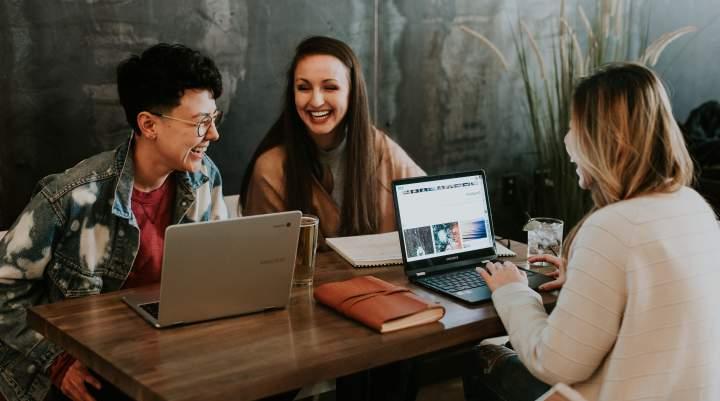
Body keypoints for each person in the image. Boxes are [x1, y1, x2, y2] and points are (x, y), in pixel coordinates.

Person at [463, 63, 720, 401]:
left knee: (482, 360)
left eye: (573, 127)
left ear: (605, 139)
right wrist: (586, 279)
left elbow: (554, 364)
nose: (567, 139)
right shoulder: (694, 207)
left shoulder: (611, 227)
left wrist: (514, 292)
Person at [0, 43, 227, 401]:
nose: (213, 134)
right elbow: (4, 288)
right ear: (149, 125)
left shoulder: (204, 178)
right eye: (201, 123)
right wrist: (56, 362)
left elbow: (217, 271)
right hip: (89, 369)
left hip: (167, 356)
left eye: (215, 119)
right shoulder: (71, 196)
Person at [240, 35, 424, 239]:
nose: (316, 101)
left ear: (352, 93)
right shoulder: (271, 168)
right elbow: (265, 261)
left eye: (330, 87)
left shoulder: (381, 149)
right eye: (303, 87)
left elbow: (433, 210)